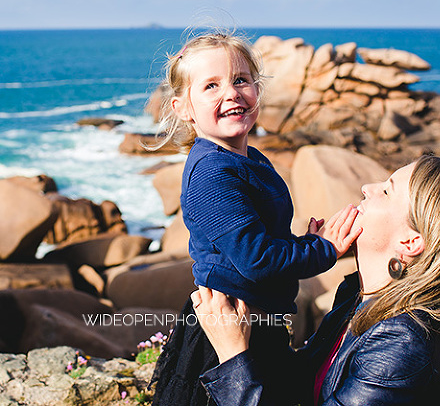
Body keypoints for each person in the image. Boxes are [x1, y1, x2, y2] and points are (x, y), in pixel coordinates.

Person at [148, 31, 361, 406]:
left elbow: (261, 242)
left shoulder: (249, 159)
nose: (230, 93)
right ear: (184, 108)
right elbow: (257, 260)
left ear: (257, 90)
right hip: (226, 337)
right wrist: (322, 249)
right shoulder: (213, 173)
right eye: (211, 86)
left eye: (241, 80)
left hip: (256, 325)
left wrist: (303, 243)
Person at [192, 154, 440, 406]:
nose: (368, 187)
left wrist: (233, 356)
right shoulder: (359, 297)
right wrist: (288, 264)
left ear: (411, 242)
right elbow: (300, 384)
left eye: (386, 190)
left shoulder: (402, 346)